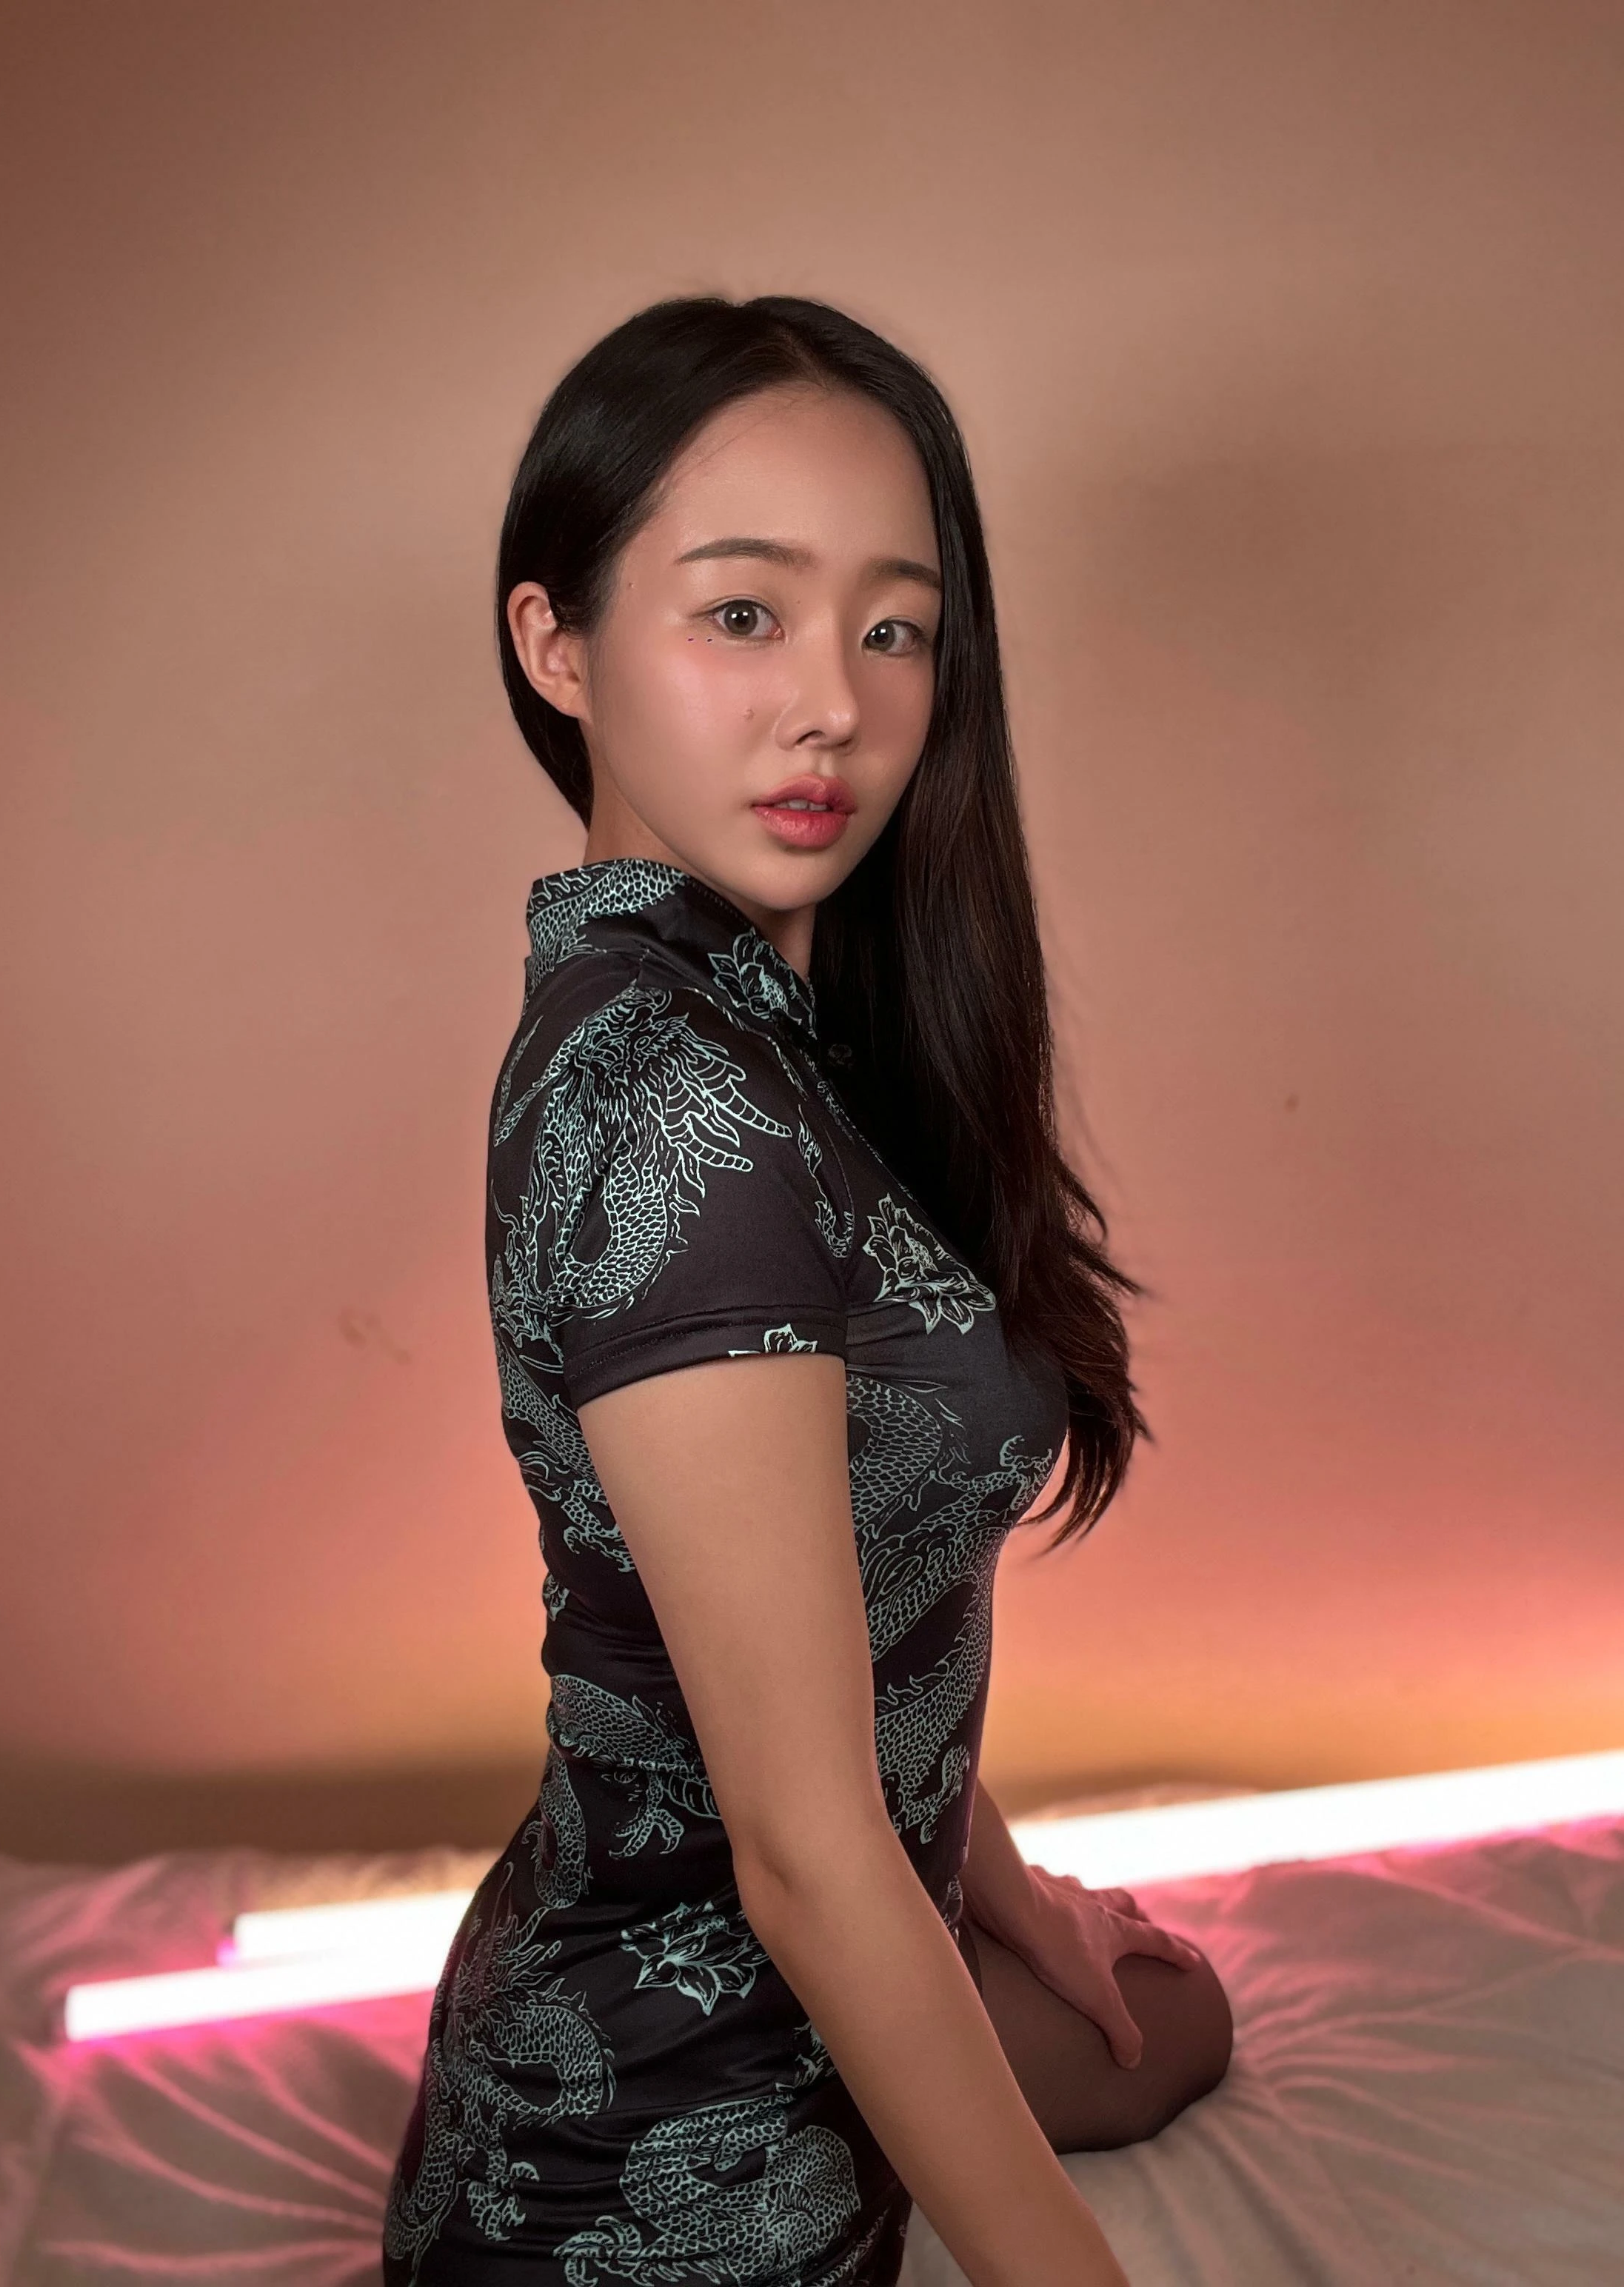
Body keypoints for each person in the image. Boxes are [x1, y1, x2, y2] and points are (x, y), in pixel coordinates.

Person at [384, 295, 1233, 2287]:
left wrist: (999, 1888)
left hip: (822, 1928)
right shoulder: (667, 1102)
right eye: (744, 614)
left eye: (895, 629)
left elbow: (848, 1615)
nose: (835, 706)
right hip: (649, 2128)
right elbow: (797, 1852)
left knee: (1165, 2011)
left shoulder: (775, 1034)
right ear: (557, 646)